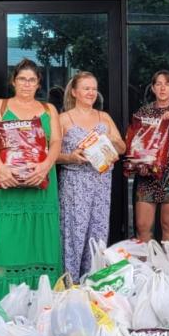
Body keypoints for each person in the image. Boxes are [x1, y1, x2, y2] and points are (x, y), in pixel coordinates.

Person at [0, 59, 62, 297]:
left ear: (38, 83)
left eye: (32, 80)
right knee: (6, 240)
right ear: (13, 81)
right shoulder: (0, 105)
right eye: (22, 79)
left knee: (40, 239)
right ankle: (2, 298)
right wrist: (0, 168)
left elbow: (56, 142)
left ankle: (42, 299)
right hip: (6, 184)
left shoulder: (49, 110)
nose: (26, 84)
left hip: (41, 185)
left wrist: (45, 168)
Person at [57, 71, 126, 282]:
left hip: (101, 183)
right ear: (75, 91)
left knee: (97, 232)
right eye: (86, 88)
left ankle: (92, 282)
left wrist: (109, 144)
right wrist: (71, 157)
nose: (91, 93)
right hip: (75, 184)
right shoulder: (63, 119)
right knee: (73, 235)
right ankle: (70, 284)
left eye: (94, 89)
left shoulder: (103, 117)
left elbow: (122, 147)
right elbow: (52, 155)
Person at [129, 70, 169, 243]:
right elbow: (135, 142)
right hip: (147, 174)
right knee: (142, 226)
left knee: (168, 224)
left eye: (167, 84)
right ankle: (146, 268)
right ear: (153, 88)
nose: (163, 88)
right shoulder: (144, 112)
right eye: (158, 84)